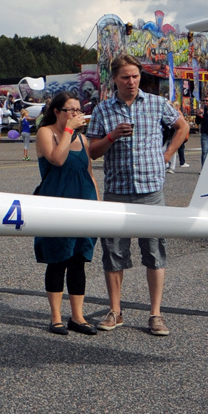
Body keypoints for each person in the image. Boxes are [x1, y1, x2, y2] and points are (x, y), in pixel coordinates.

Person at [86, 54, 188, 337]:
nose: (131, 82)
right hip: (118, 191)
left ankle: (155, 313)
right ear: (114, 80)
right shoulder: (103, 110)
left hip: (151, 190)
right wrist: (112, 137)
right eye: (125, 77)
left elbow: (183, 127)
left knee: (155, 252)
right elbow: (91, 152)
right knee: (113, 253)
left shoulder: (156, 104)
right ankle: (115, 311)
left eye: (135, 76)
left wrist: (166, 155)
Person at [34, 93, 99, 335]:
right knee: (57, 260)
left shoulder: (82, 139)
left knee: (78, 261)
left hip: (84, 205)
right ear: (57, 111)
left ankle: (78, 316)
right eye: (70, 110)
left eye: (78, 110)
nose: (75, 114)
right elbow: (57, 160)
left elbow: (89, 174)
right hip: (56, 206)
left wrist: (99, 205)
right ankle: (56, 317)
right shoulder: (46, 133)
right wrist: (69, 131)